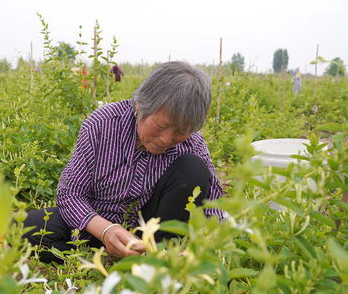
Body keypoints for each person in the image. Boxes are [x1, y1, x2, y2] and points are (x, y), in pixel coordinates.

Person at [19, 61, 224, 263]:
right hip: (97, 225)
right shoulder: (102, 125)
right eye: (161, 126)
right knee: (24, 229)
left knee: (193, 168)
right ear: (140, 106)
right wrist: (106, 230)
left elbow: (214, 203)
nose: (166, 140)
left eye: (180, 132)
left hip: (152, 231)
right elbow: (69, 194)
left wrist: (205, 245)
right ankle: (105, 255)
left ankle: (158, 256)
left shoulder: (192, 142)